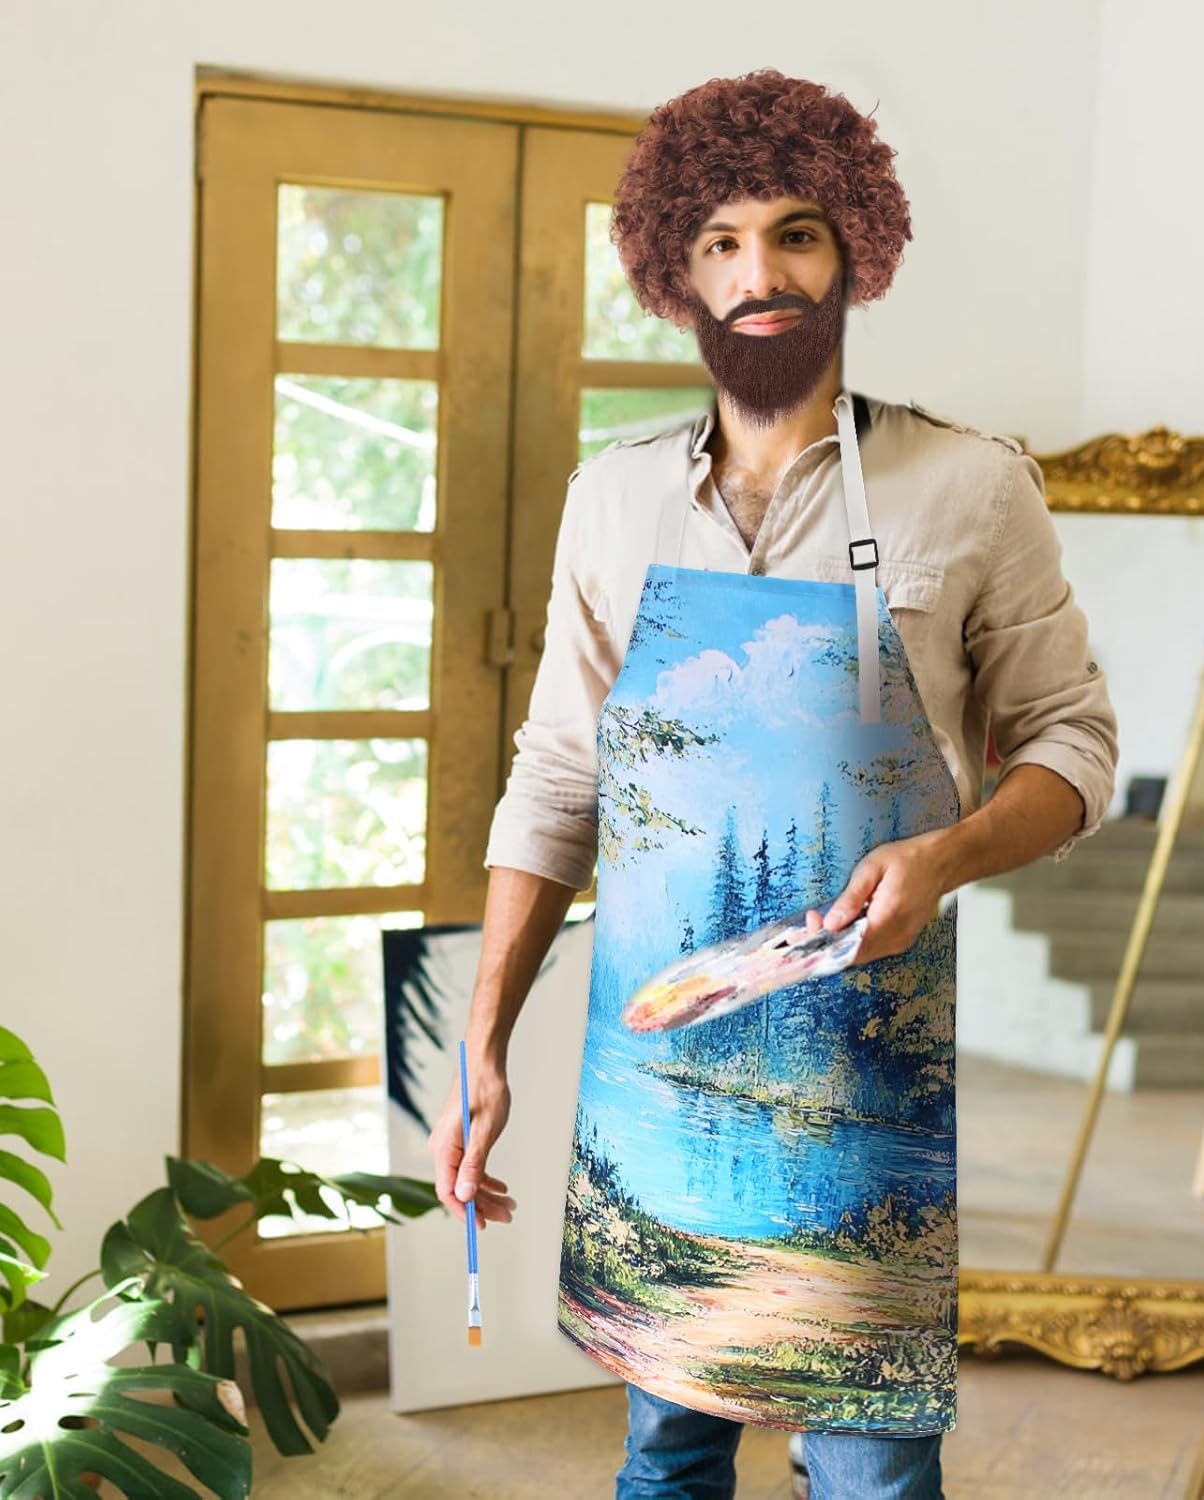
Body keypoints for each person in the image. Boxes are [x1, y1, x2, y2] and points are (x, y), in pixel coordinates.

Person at [428, 68, 1119, 1500]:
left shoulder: (971, 486)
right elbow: (557, 779)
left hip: (858, 1070)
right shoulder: (612, 499)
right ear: (676, 273)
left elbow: (1072, 746)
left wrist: (944, 857)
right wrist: (485, 1042)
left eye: (797, 234)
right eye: (722, 242)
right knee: (666, 1455)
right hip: (659, 1070)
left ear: (854, 249)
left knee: (870, 1470)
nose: (762, 276)